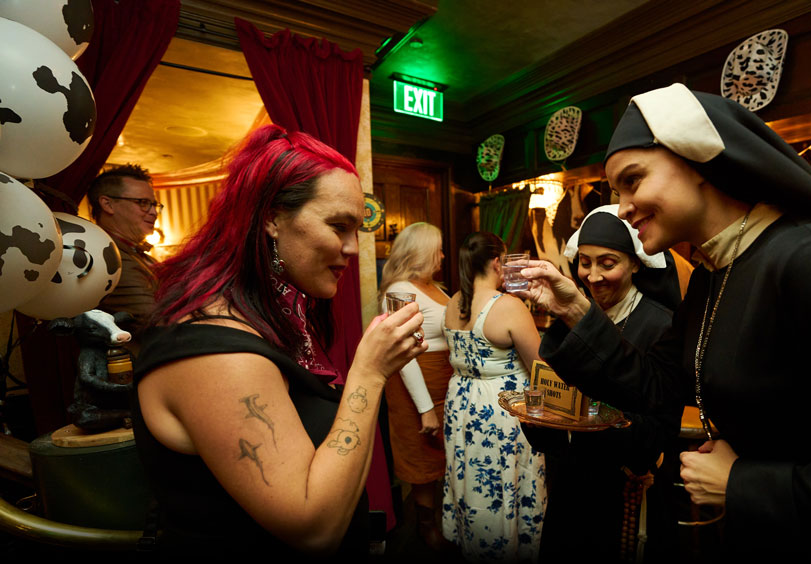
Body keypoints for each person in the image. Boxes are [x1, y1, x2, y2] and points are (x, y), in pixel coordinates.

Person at [516, 83, 811, 558]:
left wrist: (744, 482)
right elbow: (657, 387)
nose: (622, 208)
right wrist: (576, 312)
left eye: (633, 180)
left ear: (696, 160)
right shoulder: (714, 272)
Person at [130, 125, 427, 558]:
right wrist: (370, 372)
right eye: (337, 226)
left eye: (356, 229)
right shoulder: (214, 352)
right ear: (271, 217)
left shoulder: (276, 319)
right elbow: (313, 530)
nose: (352, 248)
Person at [523, 204, 687, 562]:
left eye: (607, 263)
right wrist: (537, 417)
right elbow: (554, 409)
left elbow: (661, 429)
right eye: (585, 262)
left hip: (621, 495)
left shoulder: (661, 326)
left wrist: (591, 419)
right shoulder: (570, 317)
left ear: (635, 263)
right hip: (569, 489)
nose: (593, 276)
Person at [441, 232, 547, 562]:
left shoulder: (452, 302)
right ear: (497, 262)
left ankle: (474, 542)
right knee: (508, 477)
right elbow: (540, 371)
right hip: (502, 407)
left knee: (471, 476)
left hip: (461, 404)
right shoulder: (508, 306)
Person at [377, 222, 452, 549]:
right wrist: (425, 409)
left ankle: (445, 518)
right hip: (416, 383)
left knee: (443, 455)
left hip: (445, 379)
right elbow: (404, 355)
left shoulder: (437, 287)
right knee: (422, 456)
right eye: (437, 249)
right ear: (420, 252)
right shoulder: (398, 291)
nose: (443, 255)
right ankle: (425, 525)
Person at [88, 163, 160, 340]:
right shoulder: (108, 257)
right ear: (108, 204)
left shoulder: (140, 255)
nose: (154, 212)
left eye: (154, 205)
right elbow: (157, 320)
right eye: (143, 203)